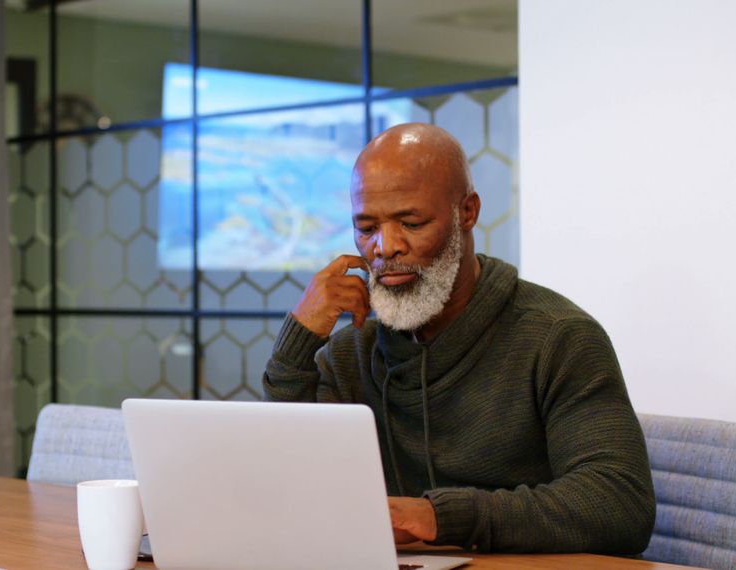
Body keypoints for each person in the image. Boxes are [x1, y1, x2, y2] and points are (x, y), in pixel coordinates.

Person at [263, 123, 655, 554]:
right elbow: (289, 484)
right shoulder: (351, 352)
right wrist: (298, 341)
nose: (384, 247)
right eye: (366, 227)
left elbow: (620, 504)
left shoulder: (558, 338)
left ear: (467, 212)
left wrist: (439, 518)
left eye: (410, 223)